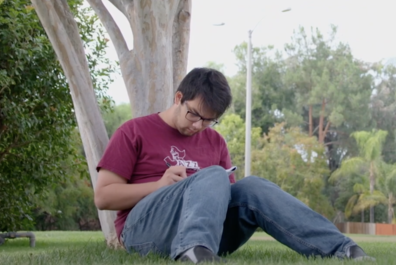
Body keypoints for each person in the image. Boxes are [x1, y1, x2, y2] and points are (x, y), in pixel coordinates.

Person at [94, 67, 373, 263]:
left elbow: (229, 200)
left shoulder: (215, 142)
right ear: (179, 98)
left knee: (252, 186)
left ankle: (343, 249)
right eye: (194, 115)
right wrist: (158, 186)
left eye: (208, 120)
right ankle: (193, 251)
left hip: (210, 235)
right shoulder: (134, 131)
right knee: (213, 174)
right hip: (145, 231)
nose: (198, 126)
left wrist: (211, 182)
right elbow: (103, 197)